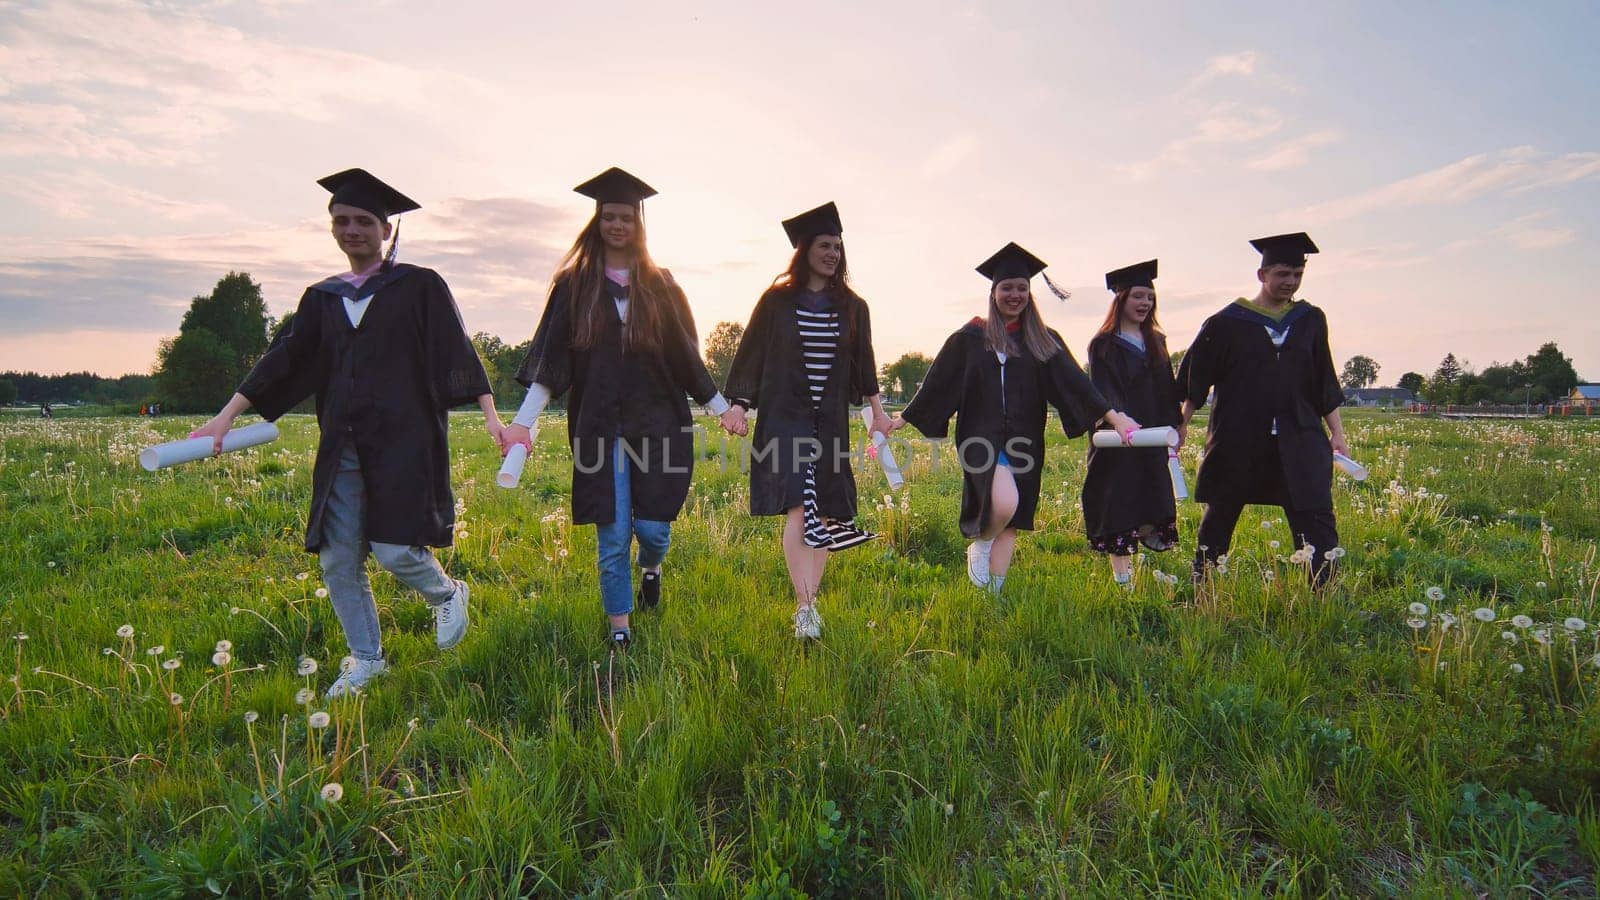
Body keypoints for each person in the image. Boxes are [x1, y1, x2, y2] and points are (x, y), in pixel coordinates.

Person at [191, 168, 499, 697]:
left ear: (385, 230)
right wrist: (224, 418)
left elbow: (458, 351)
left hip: (405, 441)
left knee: (396, 551)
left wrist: (492, 417)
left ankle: (446, 593)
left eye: (362, 221)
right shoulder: (322, 298)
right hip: (344, 445)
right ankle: (366, 658)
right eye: (341, 221)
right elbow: (282, 361)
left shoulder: (419, 286)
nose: (351, 230)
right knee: (338, 558)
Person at [504, 167, 728, 649]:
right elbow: (550, 363)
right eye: (609, 217)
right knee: (610, 535)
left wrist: (721, 407)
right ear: (597, 222)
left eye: (626, 217)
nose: (617, 225)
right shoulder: (574, 285)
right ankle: (620, 630)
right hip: (599, 427)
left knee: (652, 529)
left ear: (638, 224)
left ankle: (652, 567)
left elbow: (687, 357)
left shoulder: (660, 284)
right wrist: (522, 424)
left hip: (659, 426)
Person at [892, 243, 1140, 595]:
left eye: (1022, 288)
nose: (1015, 295)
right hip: (981, 437)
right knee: (1005, 502)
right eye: (1007, 288)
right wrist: (902, 418)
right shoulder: (971, 337)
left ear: (1030, 293)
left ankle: (991, 597)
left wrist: (1113, 418)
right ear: (993, 293)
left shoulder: (1042, 339)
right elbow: (939, 381)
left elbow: (1075, 383)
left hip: (1025, 438)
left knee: (1013, 516)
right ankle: (979, 544)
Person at [720, 202, 892, 640]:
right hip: (784, 416)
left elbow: (865, 365)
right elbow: (752, 353)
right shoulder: (777, 302)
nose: (833, 254)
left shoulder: (854, 307)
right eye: (824, 245)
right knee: (799, 503)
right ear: (804, 250)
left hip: (829, 420)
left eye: (837, 246)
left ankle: (810, 602)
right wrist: (738, 403)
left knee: (826, 509)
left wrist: (877, 411)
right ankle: (804, 607)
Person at [1177, 232, 1347, 588]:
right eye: (1283, 274)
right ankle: (1201, 587)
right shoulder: (1226, 323)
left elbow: (1323, 380)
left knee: (1314, 512)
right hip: (1239, 436)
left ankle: (1326, 592)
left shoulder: (1310, 320)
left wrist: (1337, 433)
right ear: (1262, 274)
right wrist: (1181, 425)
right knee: (1221, 511)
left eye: (1297, 274)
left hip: (1299, 435)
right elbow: (1195, 380)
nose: (1290, 282)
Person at [1081, 260, 1182, 588]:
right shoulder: (1103, 344)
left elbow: (1167, 387)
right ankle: (1123, 581)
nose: (1145, 303)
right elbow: (1103, 391)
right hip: (1120, 438)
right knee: (1119, 504)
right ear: (1121, 299)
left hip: (1152, 437)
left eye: (1150, 298)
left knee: (1150, 501)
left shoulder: (1157, 341)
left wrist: (1176, 426)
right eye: (1138, 296)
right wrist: (1122, 422)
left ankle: (1141, 574)